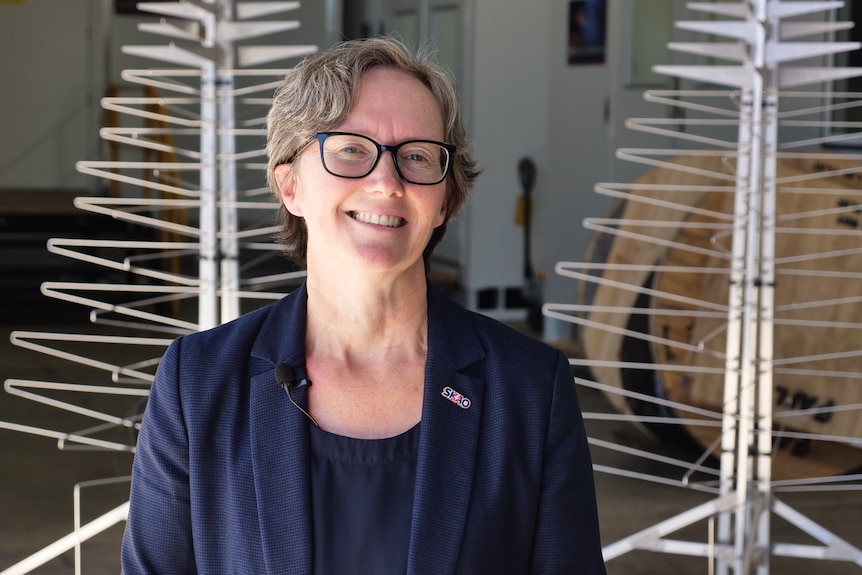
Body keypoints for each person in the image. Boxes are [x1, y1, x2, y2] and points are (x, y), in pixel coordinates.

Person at [122, 36, 606, 574]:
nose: (386, 183)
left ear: (444, 199)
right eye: (351, 149)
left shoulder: (532, 390)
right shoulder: (198, 384)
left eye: (417, 157)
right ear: (290, 185)